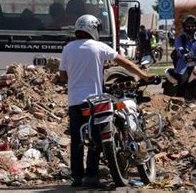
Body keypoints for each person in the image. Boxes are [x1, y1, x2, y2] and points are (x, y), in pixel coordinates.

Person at [59, 15, 154, 188]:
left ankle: (77, 177)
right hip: (96, 101)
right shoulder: (99, 47)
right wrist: (144, 75)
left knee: (77, 140)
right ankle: (91, 175)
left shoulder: (68, 49)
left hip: (74, 101)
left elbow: (63, 75)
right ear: (93, 28)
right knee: (97, 138)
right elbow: (124, 63)